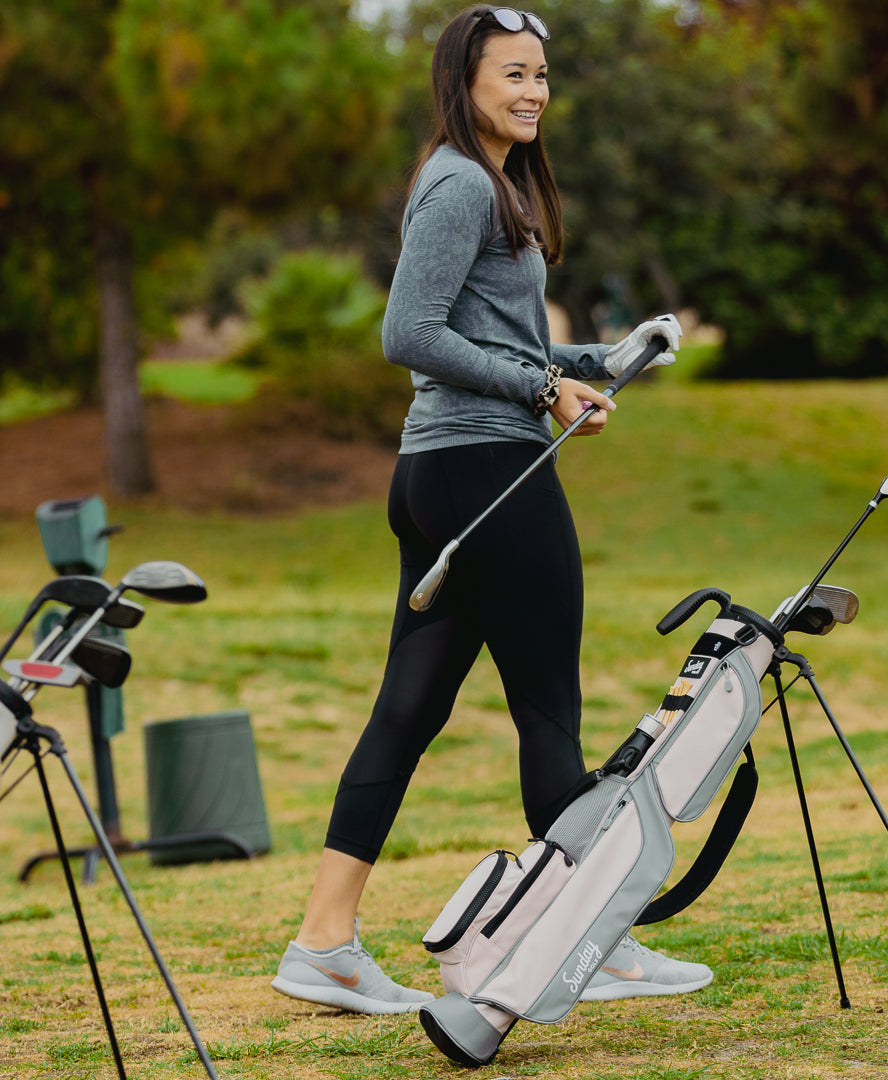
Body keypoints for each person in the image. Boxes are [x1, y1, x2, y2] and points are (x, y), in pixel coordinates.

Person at [271, 5, 708, 1015]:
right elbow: (408, 331)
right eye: (513, 74)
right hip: (488, 476)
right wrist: (537, 391)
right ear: (464, 82)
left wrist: (596, 362)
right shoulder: (463, 181)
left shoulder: (488, 183)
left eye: (542, 76)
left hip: (446, 477)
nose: (533, 92)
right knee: (548, 705)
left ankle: (324, 943)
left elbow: (488, 332)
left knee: (408, 710)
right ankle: (588, 943)